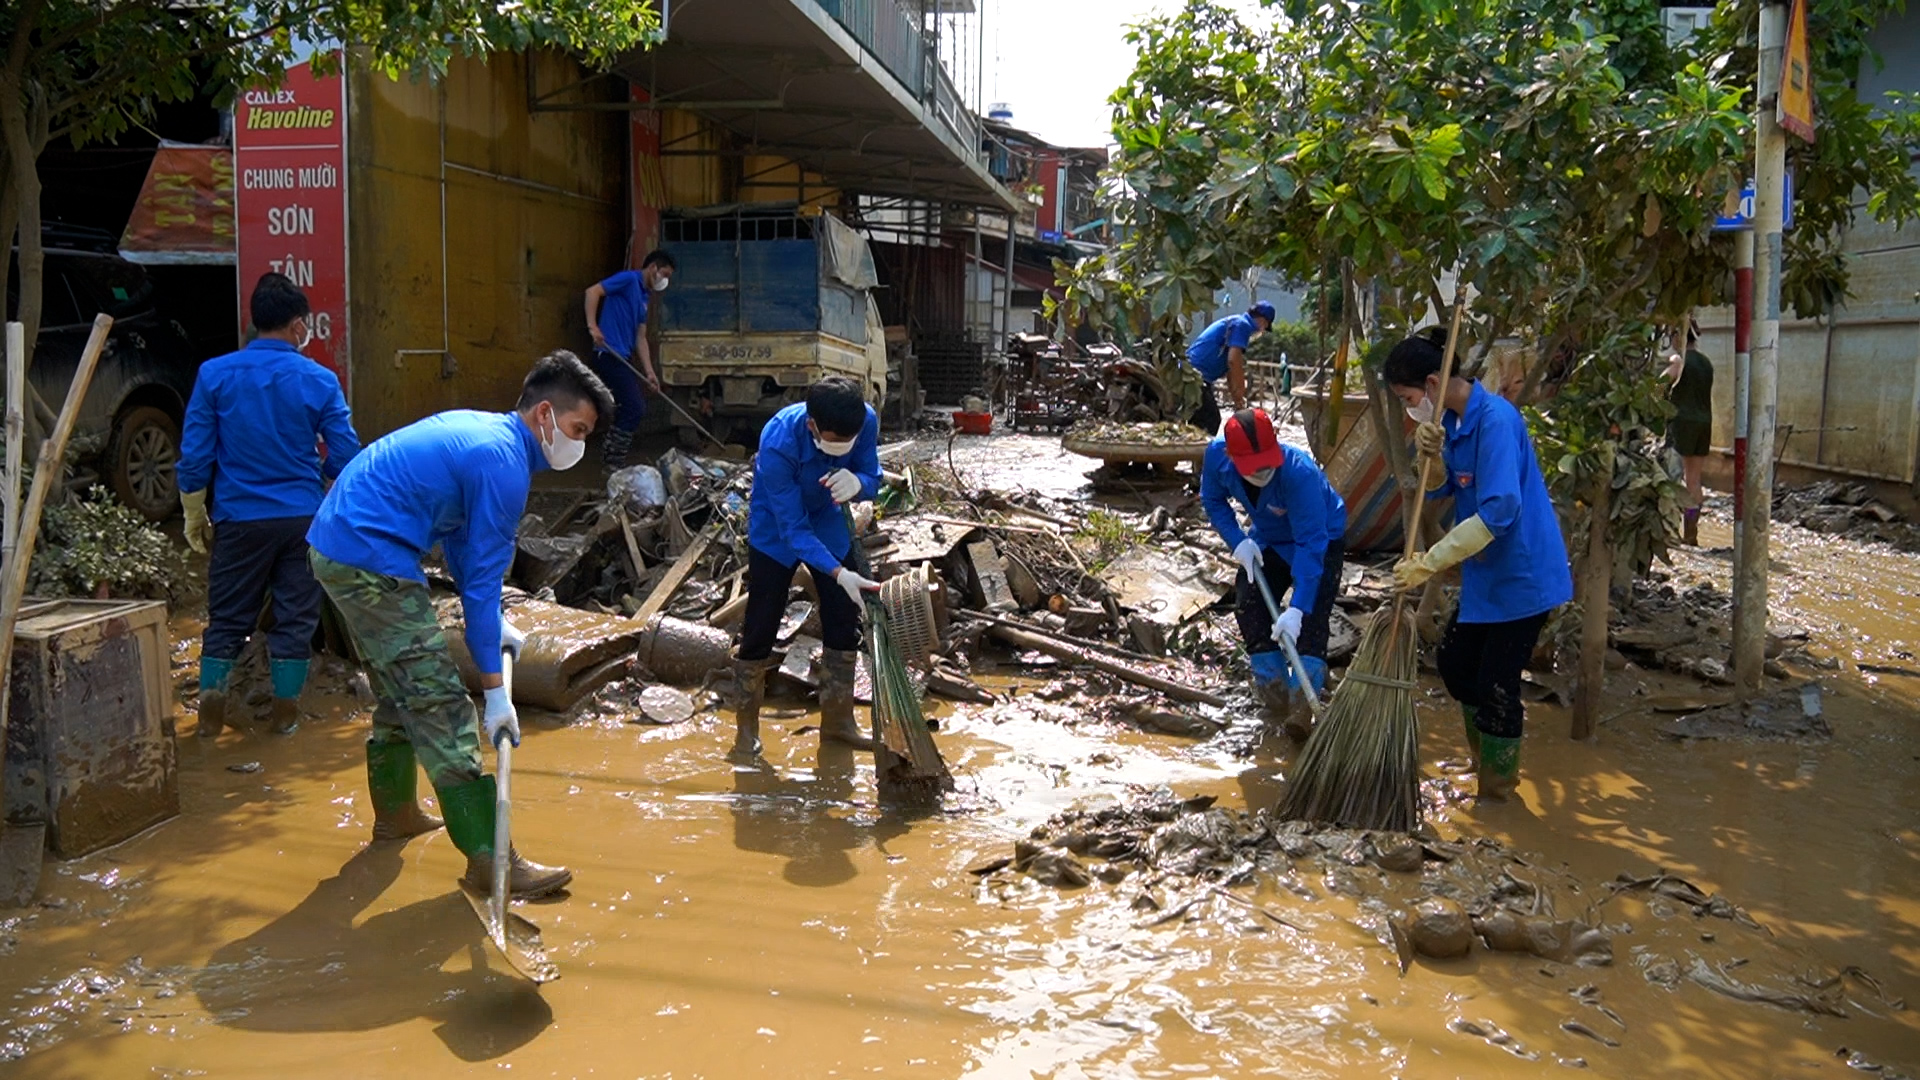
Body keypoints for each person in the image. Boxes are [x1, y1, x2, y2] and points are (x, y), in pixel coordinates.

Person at [307, 351, 614, 897]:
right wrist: (495, 693)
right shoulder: (503, 463)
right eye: (577, 428)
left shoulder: (485, 436)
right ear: (545, 413)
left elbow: (459, 540)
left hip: (343, 544)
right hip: (368, 556)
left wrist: (492, 625)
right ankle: (490, 862)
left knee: (400, 687)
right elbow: (479, 583)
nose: (578, 443)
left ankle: (396, 815)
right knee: (442, 705)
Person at [1385, 329, 1572, 802]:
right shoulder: (1453, 421)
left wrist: (1432, 561)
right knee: (1455, 662)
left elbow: (1500, 509)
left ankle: (1498, 791)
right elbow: (1445, 490)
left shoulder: (1496, 421)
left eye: (1410, 398)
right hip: (1486, 573)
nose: (1411, 410)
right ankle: (1481, 757)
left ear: (1431, 382)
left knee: (1496, 683)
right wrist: (1435, 461)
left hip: (1523, 574)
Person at [179, 272, 361, 738]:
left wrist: (194, 512)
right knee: (295, 620)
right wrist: (315, 484)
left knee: (225, 621)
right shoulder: (319, 379)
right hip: (302, 519)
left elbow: (196, 455)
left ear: (255, 322)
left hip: (238, 520)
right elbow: (344, 454)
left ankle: (209, 725)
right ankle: (285, 722)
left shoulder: (214, 374)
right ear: (299, 325)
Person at [727, 376, 882, 762]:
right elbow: (793, 530)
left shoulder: (864, 420)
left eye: (848, 440)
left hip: (829, 520)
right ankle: (746, 731)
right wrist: (838, 572)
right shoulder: (779, 440)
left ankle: (838, 724)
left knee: (843, 618)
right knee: (761, 622)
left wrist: (859, 482)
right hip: (776, 529)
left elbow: (873, 475)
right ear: (812, 425)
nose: (841, 448)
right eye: (833, 441)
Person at [1200, 407, 1346, 740]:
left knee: (1311, 621)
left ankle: (1301, 708)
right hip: (1268, 536)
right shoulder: (1216, 457)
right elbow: (1212, 498)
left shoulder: (1299, 474)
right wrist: (1238, 542)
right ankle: (1274, 692)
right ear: (1231, 455)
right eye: (1253, 465)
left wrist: (1296, 609)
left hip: (1321, 537)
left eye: (1267, 460)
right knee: (1250, 604)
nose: (1263, 470)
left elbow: (1312, 544)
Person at [583, 249, 675, 471]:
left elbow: (640, 337)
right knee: (634, 407)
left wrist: (649, 372)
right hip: (607, 353)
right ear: (652, 267)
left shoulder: (645, 297)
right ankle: (612, 461)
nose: (665, 280)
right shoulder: (628, 280)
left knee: (627, 406)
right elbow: (592, 291)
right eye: (664, 274)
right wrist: (593, 326)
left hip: (623, 356)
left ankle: (612, 458)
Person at [1185, 300, 1275, 434]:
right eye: (1265, 327)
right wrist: (1240, 392)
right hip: (1195, 375)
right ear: (1262, 321)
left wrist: (1237, 399)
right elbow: (1234, 361)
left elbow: (1230, 369)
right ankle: (1201, 453)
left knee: (1198, 420)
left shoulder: (1236, 323)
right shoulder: (1242, 326)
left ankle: (1193, 452)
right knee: (1210, 420)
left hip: (1195, 374)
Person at [1664, 322, 1714, 545]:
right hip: (1704, 424)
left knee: (1672, 478)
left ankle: (1670, 531)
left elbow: (1660, 385)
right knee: (1694, 480)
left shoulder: (1678, 360)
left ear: (1679, 337)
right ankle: (1691, 533)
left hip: (1681, 423)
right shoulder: (1706, 363)